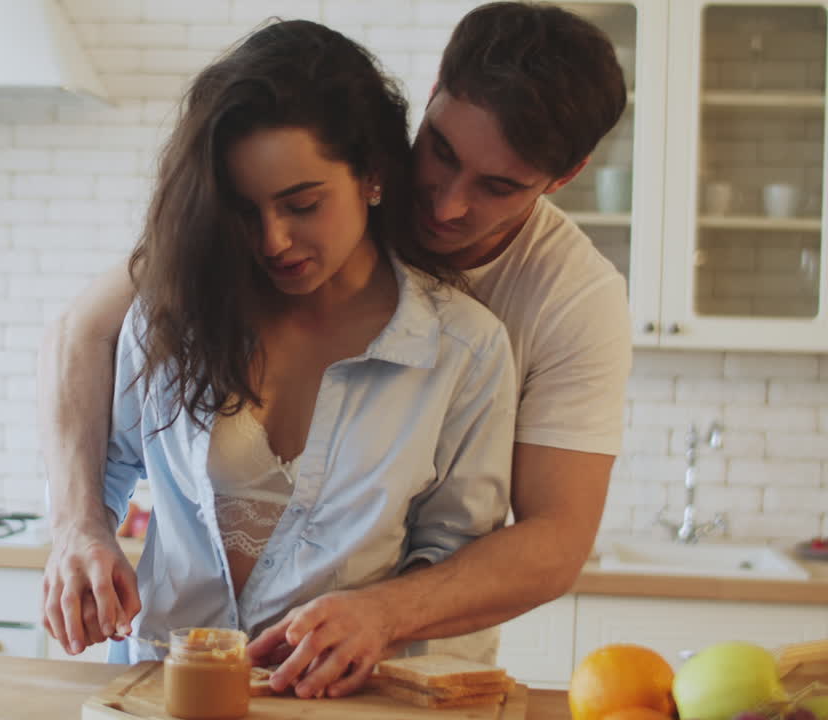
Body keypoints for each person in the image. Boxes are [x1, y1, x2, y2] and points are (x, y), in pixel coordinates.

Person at [40, 0, 633, 699]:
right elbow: (85, 330)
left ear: (562, 178)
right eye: (440, 152)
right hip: (163, 689)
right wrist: (79, 529)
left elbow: (553, 544)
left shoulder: (538, 314)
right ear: (433, 90)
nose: (443, 206)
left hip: (372, 690)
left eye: (497, 187)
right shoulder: (202, 279)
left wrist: (383, 613)